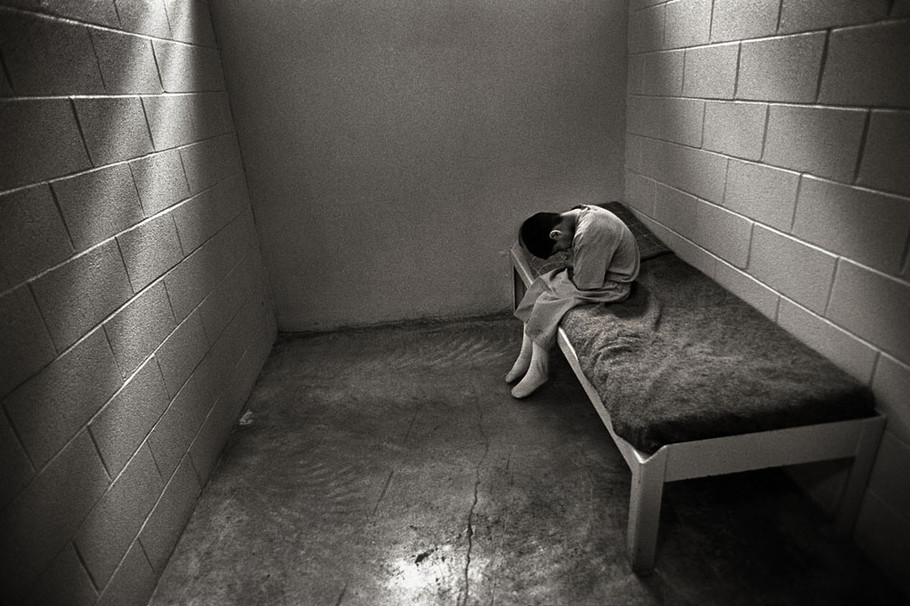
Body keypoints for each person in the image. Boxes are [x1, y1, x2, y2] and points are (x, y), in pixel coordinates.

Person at [507, 204, 640, 398]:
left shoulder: (590, 231)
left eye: (558, 249)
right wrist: (572, 262)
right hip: (595, 275)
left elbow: (585, 283)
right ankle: (526, 355)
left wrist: (571, 262)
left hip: (612, 285)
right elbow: (580, 264)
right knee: (540, 285)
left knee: (547, 302)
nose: (563, 251)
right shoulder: (577, 215)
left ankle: (539, 369)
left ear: (555, 234)